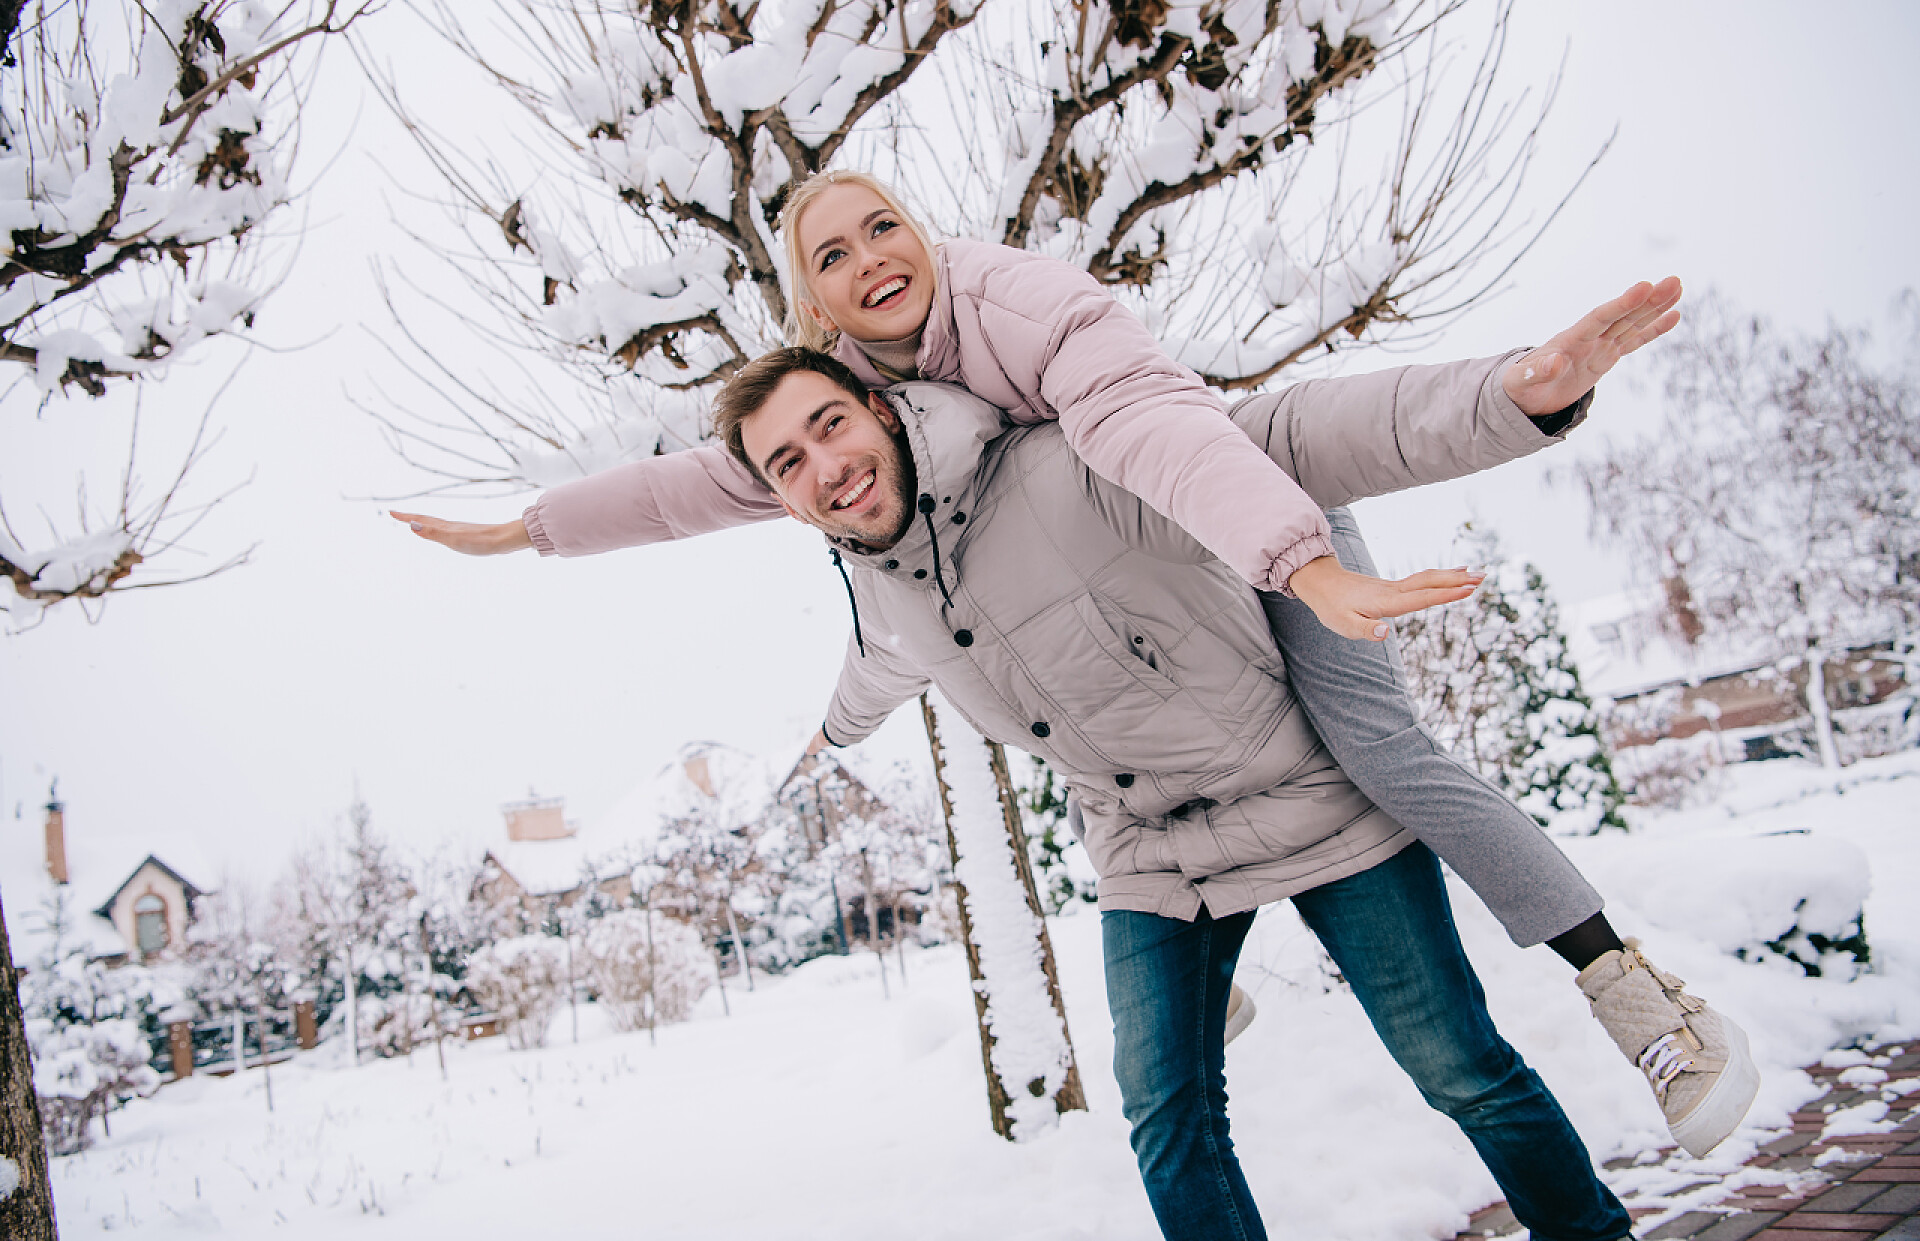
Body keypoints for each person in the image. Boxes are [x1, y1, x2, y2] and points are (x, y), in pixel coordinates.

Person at [392, 171, 1755, 1159]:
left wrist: (1445, 448)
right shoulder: (844, 416)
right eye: (834, 252)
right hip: (1134, 619)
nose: (873, 257)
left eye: (884, 224)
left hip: (1238, 508)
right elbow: (696, 493)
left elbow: (1174, 429)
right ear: (813, 305)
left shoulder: (1021, 308)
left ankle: (1632, 987)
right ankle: (1194, 976)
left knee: (1380, 752)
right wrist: (530, 530)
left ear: (921, 233)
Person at [716, 344, 1650, 1239]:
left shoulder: (1062, 466)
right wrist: (830, 737)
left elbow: (1273, 447)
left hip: (1309, 795)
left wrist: (1508, 401)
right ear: (784, 502)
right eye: (788, 462)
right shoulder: (883, 594)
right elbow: (876, 669)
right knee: (1168, 1119)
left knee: (1458, 1066)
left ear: (880, 410)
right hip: (1151, 853)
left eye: (830, 424)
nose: (825, 467)